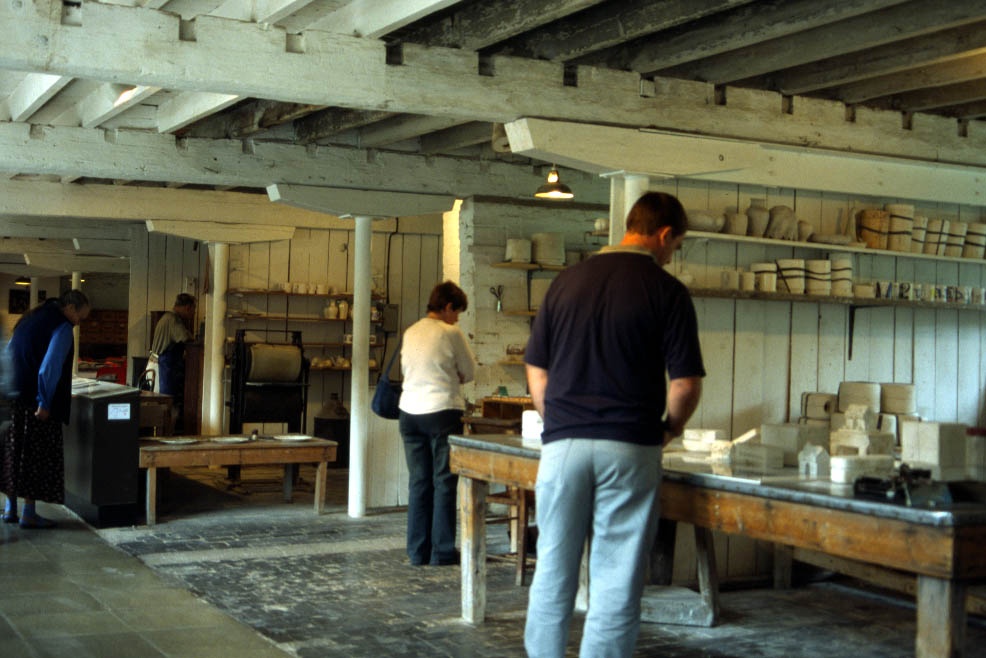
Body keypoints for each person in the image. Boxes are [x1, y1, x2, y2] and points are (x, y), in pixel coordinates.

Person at [523, 192, 706, 658]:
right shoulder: (666, 291)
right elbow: (684, 384)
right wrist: (670, 429)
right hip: (629, 447)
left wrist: (559, 421)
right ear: (663, 235)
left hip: (562, 446)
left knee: (553, 571)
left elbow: (536, 371)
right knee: (616, 582)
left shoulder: (565, 282)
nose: (671, 255)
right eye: (675, 245)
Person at [398, 281, 477, 566]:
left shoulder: (410, 331)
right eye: (457, 312)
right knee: (444, 482)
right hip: (442, 411)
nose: (457, 318)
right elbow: (468, 373)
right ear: (446, 307)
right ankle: (442, 552)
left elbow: (407, 369)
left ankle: (417, 552)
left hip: (409, 413)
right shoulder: (451, 332)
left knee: (419, 482)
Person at [0, 289, 91, 529]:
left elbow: (9, 353)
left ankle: (10, 509)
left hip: (14, 396)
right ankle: (29, 513)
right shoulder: (61, 327)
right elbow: (49, 368)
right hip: (34, 403)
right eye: (80, 318)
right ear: (71, 309)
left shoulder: (32, 317)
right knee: (34, 457)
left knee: (14, 452)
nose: (79, 323)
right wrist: (44, 402)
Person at [150, 293, 195, 432]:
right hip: (166, 366)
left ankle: (165, 431)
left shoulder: (167, 317)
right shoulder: (173, 319)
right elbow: (185, 338)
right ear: (187, 307)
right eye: (193, 309)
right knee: (168, 402)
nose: (193, 313)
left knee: (165, 403)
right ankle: (167, 434)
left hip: (162, 364)